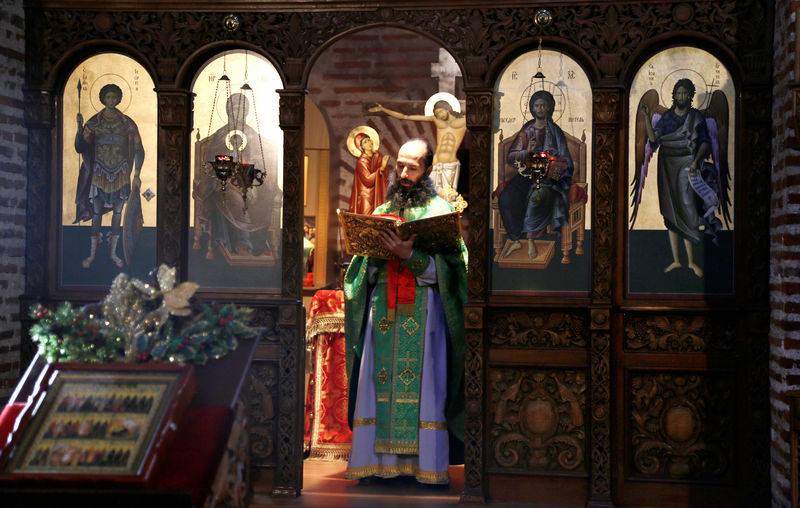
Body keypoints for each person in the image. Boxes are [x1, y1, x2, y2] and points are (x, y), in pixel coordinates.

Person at [343, 138, 467, 485]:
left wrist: (409, 257)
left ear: (427, 169)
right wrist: (373, 256)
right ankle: (376, 465)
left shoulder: (440, 213)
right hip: (382, 312)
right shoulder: (382, 210)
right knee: (374, 383)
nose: (403, 173)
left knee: (425, 388)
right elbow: (360, 275)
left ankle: (424, 467)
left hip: (424, 316)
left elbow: (455, 272)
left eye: (412, 167)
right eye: (399, 166)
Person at [639, 78, 713, 277]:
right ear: (674, 95)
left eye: (685, 93)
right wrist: (647, 117)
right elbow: (654, 139)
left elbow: (705, 143)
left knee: (687, 208)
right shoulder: (668, 117)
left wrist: (697, 161)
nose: (681, 97)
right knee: (670, 211)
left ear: (690, 96)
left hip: (687, 164)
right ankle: (676, 261)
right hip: (667, 164)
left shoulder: (696, 117)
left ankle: (691, 261)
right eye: (678, 93)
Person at [193, 93, 280, 260]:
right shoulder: (220, 136)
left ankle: (254, 244)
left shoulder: (254, 136)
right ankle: (229, 242)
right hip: (225, 184)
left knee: (256, 199)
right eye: (234, 110)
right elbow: (211, 164)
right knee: (230, 198)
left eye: (241, 110)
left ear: (246, 112)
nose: (238, 113)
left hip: (250, 183)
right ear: (228, 112)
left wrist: (249, 174)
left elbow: (261, 163)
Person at [74, 83, 144, 269]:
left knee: (118, 212)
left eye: (115, 97)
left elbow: (138, 149)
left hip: (121, 172)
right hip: (99, 172)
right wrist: (79, 128)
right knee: (97, 212)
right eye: (108, 97)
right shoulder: (94, 123)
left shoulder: (127, 123)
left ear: (119, 99)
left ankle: (113, 253)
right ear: (103, 98)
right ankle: (92, 254)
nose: (111, 100)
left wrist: (136, 173)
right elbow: (81, 147)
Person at [497, 90, 574, 259]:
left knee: (537, 196)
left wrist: (553, 164)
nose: (540, 109)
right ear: (532, 108)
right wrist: (527, 151)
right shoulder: (527, 131)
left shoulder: (555, 132)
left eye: (543, 105)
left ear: (549, 108)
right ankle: (515, 239)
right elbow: (511, 157)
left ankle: (531, 240)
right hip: (526, 175)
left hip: (548, 178)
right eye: (536, 105)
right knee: (506, 198)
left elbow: (566, 160)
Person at [369, 100, 466, 198]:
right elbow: (404, 116)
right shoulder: (436, 120)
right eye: (437, 114)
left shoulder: (464, 120)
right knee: (432, 196)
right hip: (436, 162)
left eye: (441, 112)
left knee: (449, 196)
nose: (439, 115)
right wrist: (383, 109)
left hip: (450, 162)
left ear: (447, 108)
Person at [349, 133, 389, 216]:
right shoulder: (361, 162)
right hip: (366, 197)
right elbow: (367, 180)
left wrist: (383, 168)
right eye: (365, 142)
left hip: (378, 193)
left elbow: (385, 177)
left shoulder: (379, 156)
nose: (369, 142)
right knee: (366, 219)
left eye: (369, 140)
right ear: (361, 147)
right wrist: (382, 168)